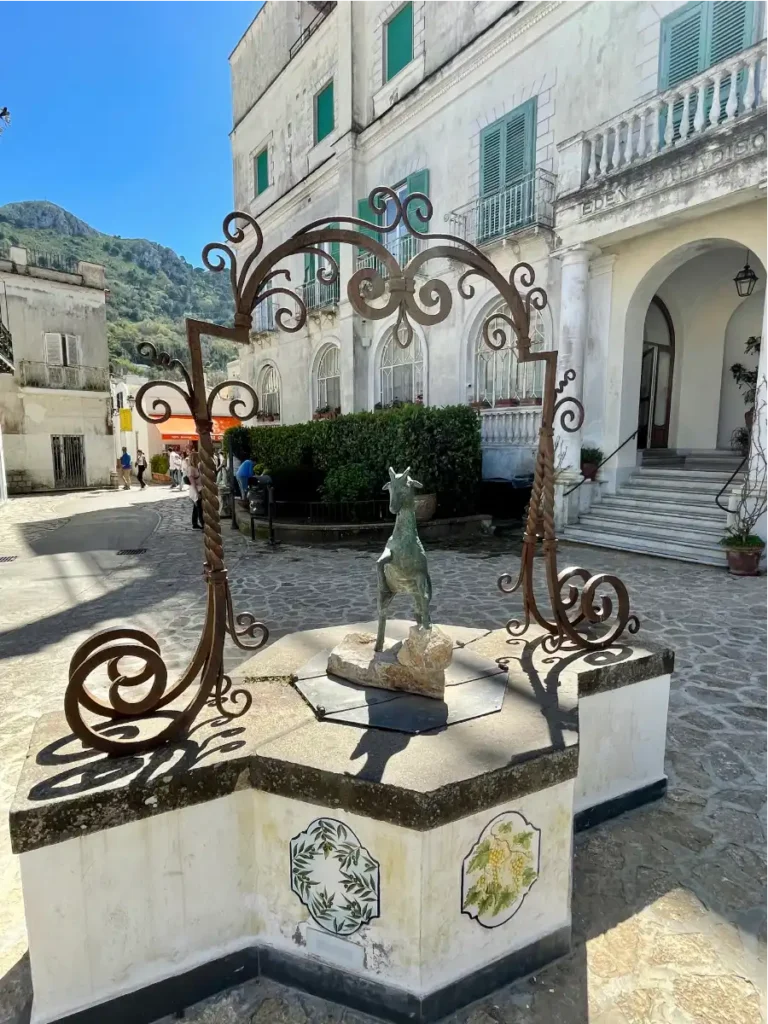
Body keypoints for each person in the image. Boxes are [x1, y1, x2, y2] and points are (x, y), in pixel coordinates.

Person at [187, 452, 204, 529]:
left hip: (199, 488)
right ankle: (203, 524)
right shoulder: (191, 468)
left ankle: (194, 523)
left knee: (196, 508)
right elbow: (193, 482)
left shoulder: (196, 467)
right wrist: (197, 493)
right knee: (199, 508)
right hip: (196, 490)